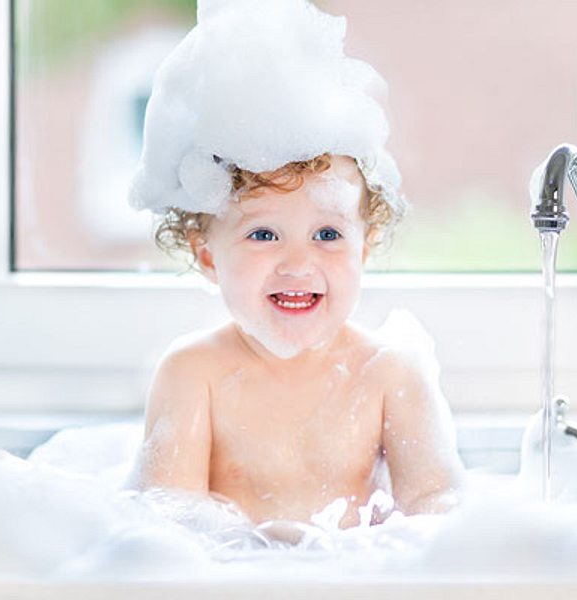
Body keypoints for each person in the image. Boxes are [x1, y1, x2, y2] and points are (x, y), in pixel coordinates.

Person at [125, 0, 464, 529]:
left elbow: (435, 510)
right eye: (264, 234)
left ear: (364, 247)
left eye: (328, 234)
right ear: (207, 254)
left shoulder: (389, 374)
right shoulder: (193, 373)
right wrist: (256, 548)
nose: (298, 263)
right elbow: (167, 517)